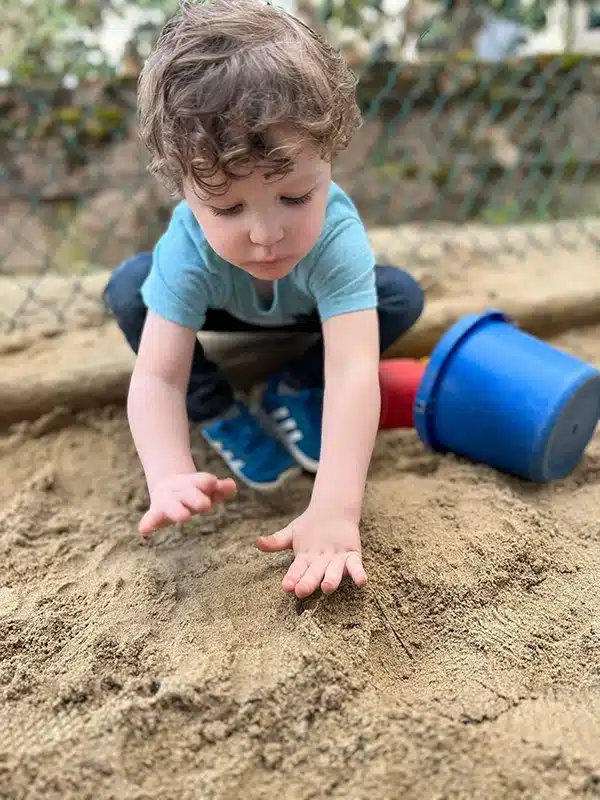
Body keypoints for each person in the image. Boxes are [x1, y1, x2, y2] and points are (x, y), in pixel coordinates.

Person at [103, 0, 425, 600]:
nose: (265, 234)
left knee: (399, 296)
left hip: (307, 311)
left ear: (330, 157)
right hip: (222, 303)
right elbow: (157, 380)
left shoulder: (335, 236)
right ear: (182, 188)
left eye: (297, 197)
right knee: (129, 290)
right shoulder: (188, 244)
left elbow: (355, 372)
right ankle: (220, 409)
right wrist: (168, 472)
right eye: (226, 208)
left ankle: (295, 385)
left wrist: (333, 509)